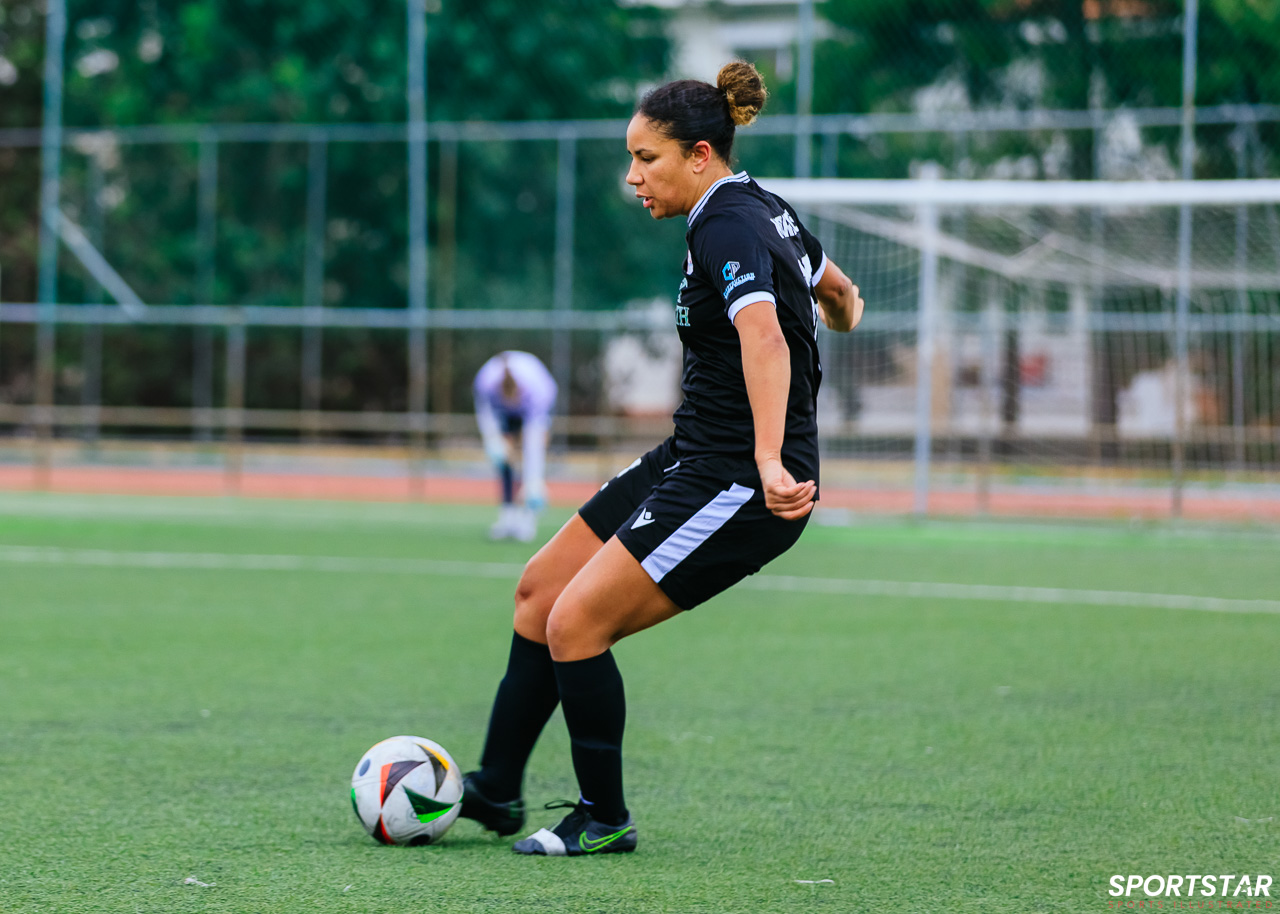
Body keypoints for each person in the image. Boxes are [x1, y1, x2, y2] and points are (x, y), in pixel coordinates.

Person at [458, 61, 864, 856]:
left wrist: (771, 460)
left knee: (577, 624)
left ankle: (603, 819)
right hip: (692, 455)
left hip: (739, 480)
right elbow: (840, 294)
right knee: (540, 591)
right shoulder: (763, 210)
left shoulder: (726, 225)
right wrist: (839, 315)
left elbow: (764, 338)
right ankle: (498, 788)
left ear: (700, 155)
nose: (632, 176)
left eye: (647, 159)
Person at [473, 351, 557, 542]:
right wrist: (493, 442)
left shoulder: (537, 390)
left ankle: (528, 520)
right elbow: (486, 417)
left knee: (531, 464)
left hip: (535, 409)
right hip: (503, 414)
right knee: (504, 461)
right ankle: (507, 517)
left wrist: (534, 481)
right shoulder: (486, 382)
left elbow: (535, 442)